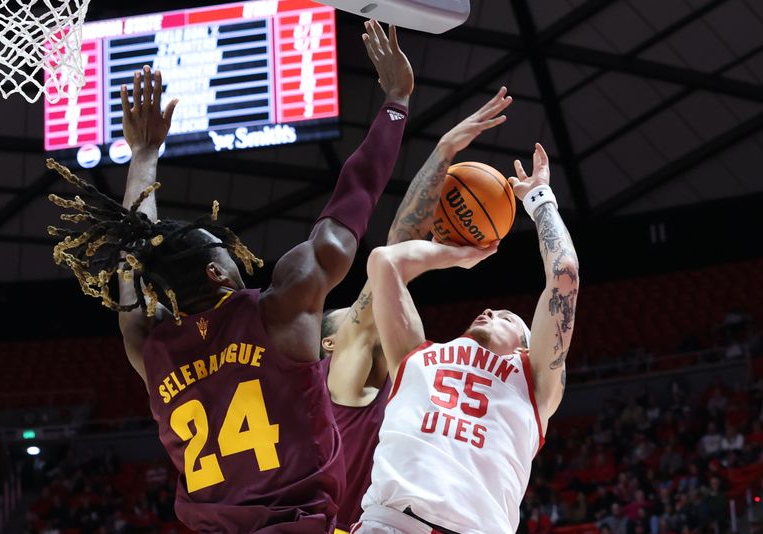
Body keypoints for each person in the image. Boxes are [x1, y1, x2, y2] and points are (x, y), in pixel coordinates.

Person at [47, 20, 414, 534]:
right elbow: (348, 210)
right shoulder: (281, 311)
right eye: (225, 247)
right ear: (217, 271)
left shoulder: (150, 350)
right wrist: (395, 102)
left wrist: (144, 157)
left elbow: (132, 256)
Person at [355, 143, 581, 533]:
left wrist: (540, 200)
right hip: (390, 523)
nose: (492, 311)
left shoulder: (535, 382)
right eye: (493, 309)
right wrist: (456, 255)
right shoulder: (417, 355)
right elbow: (383, 261)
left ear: (527, 347)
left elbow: (565, 275)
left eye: (508, 317)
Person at [320, 89, 513, 532]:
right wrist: (443, 151)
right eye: (347, 314)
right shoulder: (342, 380)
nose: (359, 312)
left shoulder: (404, 376)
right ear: (330, 343)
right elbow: (390, 262)